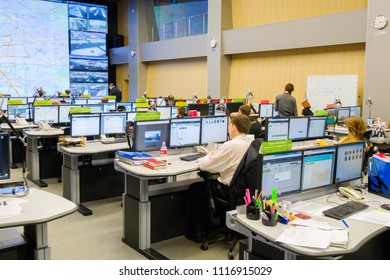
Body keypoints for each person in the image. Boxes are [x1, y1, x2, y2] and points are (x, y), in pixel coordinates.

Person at [185, 115, 253, 242]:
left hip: (229, 192)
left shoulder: (231, 145)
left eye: (229, 126)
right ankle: (219, 223)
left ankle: (197, 233)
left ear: (233, 128)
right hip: (245, 193)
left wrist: (207, 156)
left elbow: (206, 166)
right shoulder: (252, 144)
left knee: (195, 188)